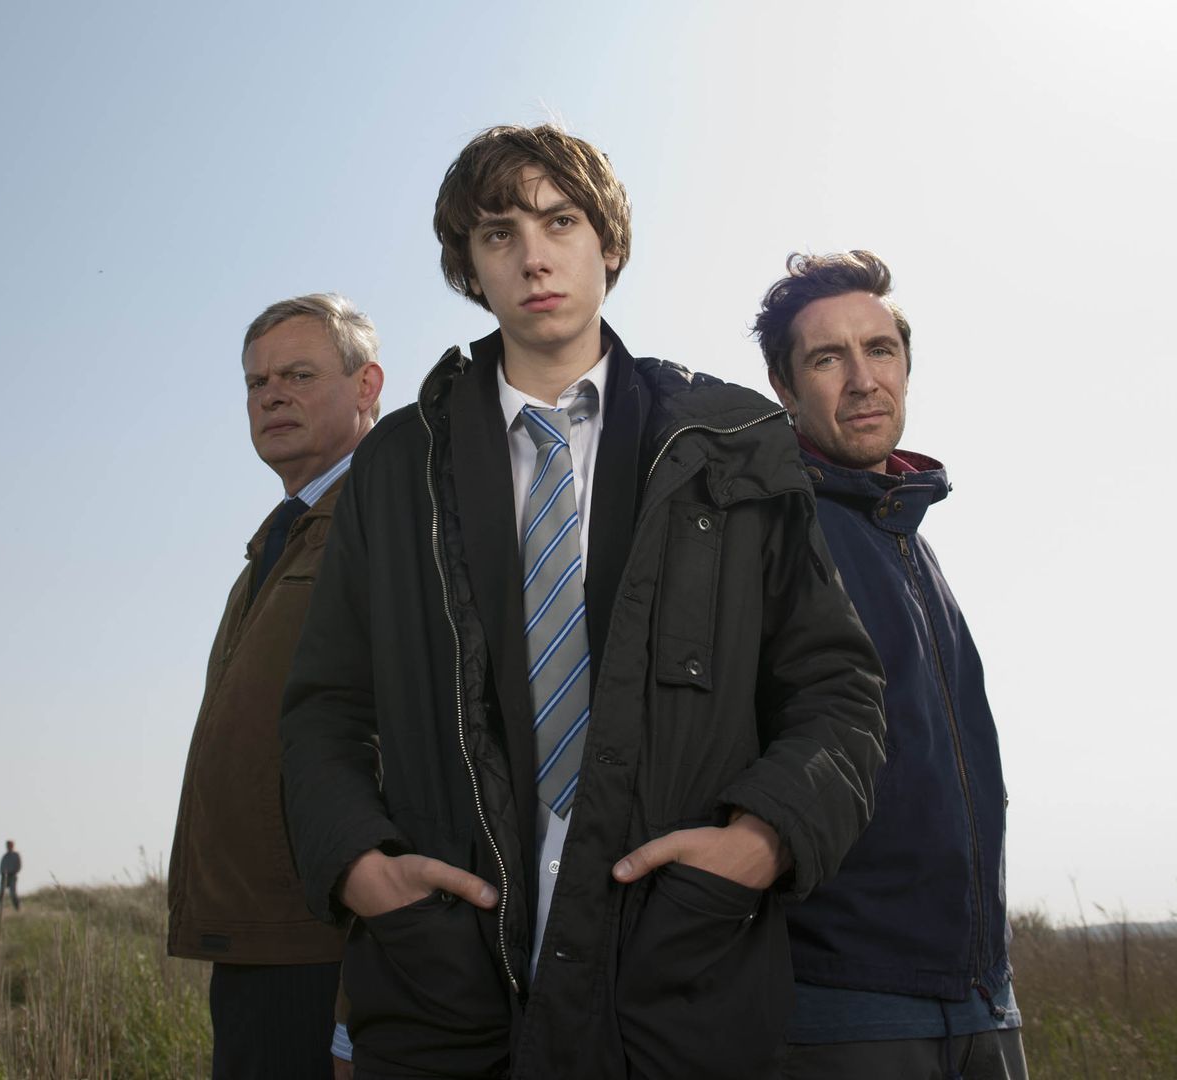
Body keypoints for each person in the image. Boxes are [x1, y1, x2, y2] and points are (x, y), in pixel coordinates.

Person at [280, 124, 886, 1080]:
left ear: (607, 242)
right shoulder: (397, 464)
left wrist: (763, 841)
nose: (533, 257)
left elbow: (838, 693)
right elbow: (323, 711)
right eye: (499, 234)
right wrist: (360, 865)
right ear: (470, 266)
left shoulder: (734, 442)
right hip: (445, 999)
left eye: (560, 222)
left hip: (682, 995)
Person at [753, 251, 1027, 1079]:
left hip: (983, 996)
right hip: (846, 1005)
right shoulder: (770, 530)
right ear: (784, 388)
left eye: (880, 350)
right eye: (827, 358)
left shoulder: (911, 538)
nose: (863, 379)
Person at [167, 292, 384, 1080]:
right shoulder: (278, 541)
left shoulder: (388, 523)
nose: (271, 396)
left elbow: (418, 758)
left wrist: (360, 1011)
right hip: (259, 944)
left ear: (366, 386)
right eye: (257, 383)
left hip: (329, 951)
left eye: (298, 375)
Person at [0, 839, 21, 911]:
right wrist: (3, 873)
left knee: (13, 894)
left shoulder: (16, 855)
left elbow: (18, 866)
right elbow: (1, 867)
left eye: (9, 845)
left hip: (12, 876)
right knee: (1, 893)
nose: (8, 847)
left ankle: (17, 908)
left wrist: (12, 872)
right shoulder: (5, 856)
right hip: (4, 876)